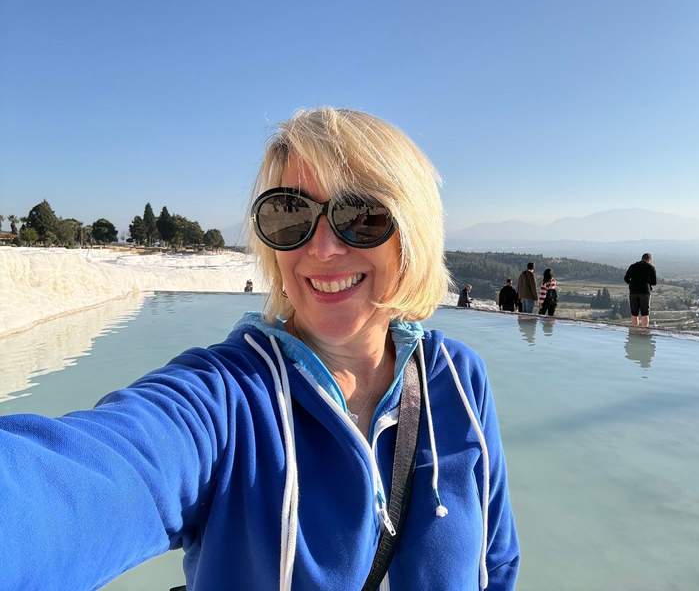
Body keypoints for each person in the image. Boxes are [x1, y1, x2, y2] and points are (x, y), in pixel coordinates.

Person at [0, 108, 519, 590]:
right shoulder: (225, 400)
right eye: (290, 215)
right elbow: (82, 483)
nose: (322, 247)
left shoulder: (456, 377)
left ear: (413, 231)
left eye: (361, 214)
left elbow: (495, 564)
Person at [624, 252, 657, 327]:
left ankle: (634, 331)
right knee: (645, 313)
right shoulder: (651, 267)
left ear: (642, 258)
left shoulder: (633, 266)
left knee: (634, 313)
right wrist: (647, 282)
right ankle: (644, 332)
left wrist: (632, 284)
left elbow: (626, 278)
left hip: (633, 292)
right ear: (649, 260)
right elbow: (654, 282)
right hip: (645, 292)